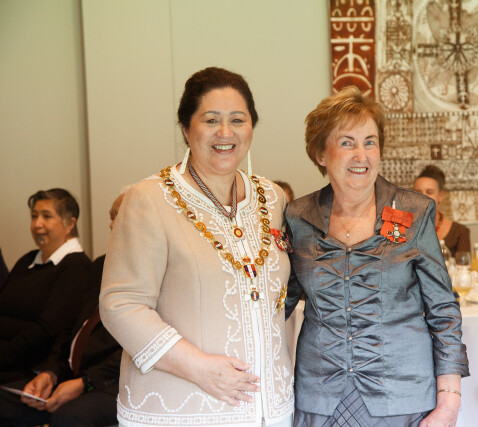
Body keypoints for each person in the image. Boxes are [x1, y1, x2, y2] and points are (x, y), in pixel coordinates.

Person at [100, 67, 294, 427]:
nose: (226, 133)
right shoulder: (149, 199)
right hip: (184, 411)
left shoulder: (272, 197)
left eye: (238, 120)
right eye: (211, 120)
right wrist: (199, 368)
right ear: (186, 129)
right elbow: (120, 304)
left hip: (272, 408)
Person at [285, 86, 469, 426]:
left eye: (370, 142)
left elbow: (443, 310)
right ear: (321, 154)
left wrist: (449, 401)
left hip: (402, 397)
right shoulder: (298, 218)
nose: (362, 155)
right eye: (347, 142)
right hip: (321, 398)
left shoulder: (414, 211)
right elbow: (275, 305)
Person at [0, 194, 125, 426]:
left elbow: (137, 350)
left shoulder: (161, 272)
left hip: (109, 381)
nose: (110, 224)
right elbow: (71, 328)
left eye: (118, 216)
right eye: (110, 217)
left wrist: (84, 383)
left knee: (68, 417)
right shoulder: (101, 265)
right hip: (70, 373)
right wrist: (50, 373)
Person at [0, 189, 91, 383]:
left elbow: (47, 330)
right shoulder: (27, 260)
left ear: (70, 224)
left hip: (30, 369)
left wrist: (4, 354)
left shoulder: (76, 266)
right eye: (34, 216)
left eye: (46, 216)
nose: (37, 224)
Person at [413, 165, 471, 256]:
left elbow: (464, 264)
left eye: (429, 192)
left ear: (440, 196)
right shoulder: (402, 229)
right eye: (418, 192)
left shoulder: (460, 231)